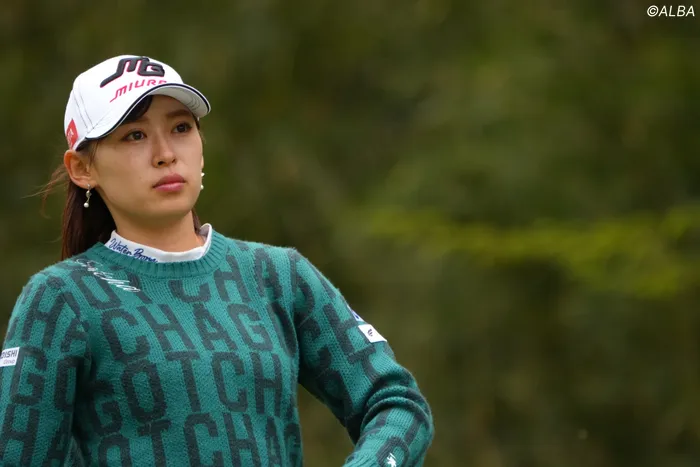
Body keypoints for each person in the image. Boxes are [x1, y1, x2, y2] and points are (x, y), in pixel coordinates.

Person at [0, 55, 434, 466]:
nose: (165, 153)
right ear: (82, 168)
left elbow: (395, 403)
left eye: (181, 128)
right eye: (134, 135)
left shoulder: (277, 276)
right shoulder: (61, 300)